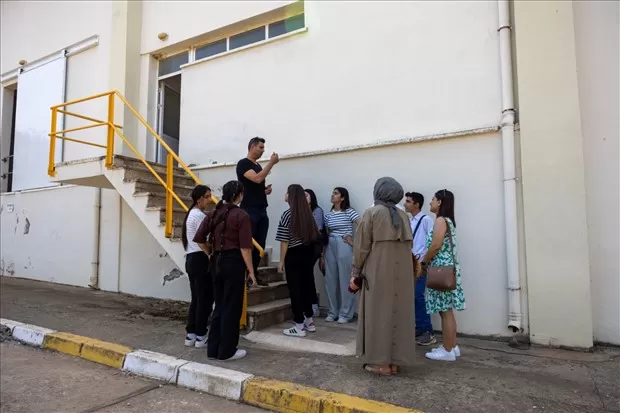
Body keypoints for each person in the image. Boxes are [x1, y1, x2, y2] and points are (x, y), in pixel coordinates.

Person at [350, 177, 415, 376]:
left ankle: (380, 363)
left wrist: (355, 273)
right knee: (399, 313)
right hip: (402, 274)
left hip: (377, 272)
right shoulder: (404, 216)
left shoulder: (371, 213)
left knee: (377, 314)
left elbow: (361, 248)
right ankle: (394, 361)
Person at [193, 180, 257, 361]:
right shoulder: (241, 215)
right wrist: (251, 271)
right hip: (233, 262)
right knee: (232, 306)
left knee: (219, 305)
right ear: (239, 195)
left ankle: (213, 349)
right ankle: (227, 350)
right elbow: (245, 247)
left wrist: (210, 252)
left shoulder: (213, 214)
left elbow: (199, 238)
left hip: (216, 262)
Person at [420, 189, 466, 362]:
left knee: (445, 311)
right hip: (447, 269)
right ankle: (452, 346)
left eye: (433, 199)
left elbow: (436, 245)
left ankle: (447, 350)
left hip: (440, 270)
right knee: (446, 310)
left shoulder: (440, 220)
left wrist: (424, 262)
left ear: (439, 202)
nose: (430, 202)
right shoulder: (448, 221)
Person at [276, 184, 319, 337]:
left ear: (291, 196)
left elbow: (284, 241)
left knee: (295, 290)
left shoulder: (288, 214)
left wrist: (281, 261)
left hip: (294, 255)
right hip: (307, 254)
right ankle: (309, 320)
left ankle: (299, 325)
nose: (285, 194)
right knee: (306, 287)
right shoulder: (308, 213)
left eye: (287, 192)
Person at [236, 137, 280, 286]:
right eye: (261, 147)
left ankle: (253, 274)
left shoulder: (259, 166)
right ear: (252, 147)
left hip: (261, 209)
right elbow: (256, 179)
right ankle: (245, 275)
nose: (263, 150)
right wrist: (271, 163)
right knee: (248, 243)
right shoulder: (243, 164)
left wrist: (265, 190)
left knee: (259, 244)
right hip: (249, 209)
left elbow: (258, 183)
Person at [182, 184, 215, 348]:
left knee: (196, 298)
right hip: (200, 259)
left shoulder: (191, 215)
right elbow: (204, 239)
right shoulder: (199, 216)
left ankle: (191, 334)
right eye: (208, 197)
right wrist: (209, 253)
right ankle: (201, 335)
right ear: (199, 198)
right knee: (205, 299)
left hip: (191, 259)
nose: (210, 200)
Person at [404, 191, 436, 346]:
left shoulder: (426, 220)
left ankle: (427, 331)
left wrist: (424, 263)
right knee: (412, 297)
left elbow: (431, 242)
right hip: (410, 264)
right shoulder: (409, 221)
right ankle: (419, 327)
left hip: (420, 265)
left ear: (416, 204)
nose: (405, 204)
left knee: (418, 296)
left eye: (409, 201)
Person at [323, 187, 360, 323]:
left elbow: (362, 225)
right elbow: (325, 233)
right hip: (330, 244)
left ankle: (345, 313)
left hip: (344, 243)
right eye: (332, 192)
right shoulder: (328, 215)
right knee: (331, 280)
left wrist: (354, 241)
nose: (333, 195)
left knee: (345, 278)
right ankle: (333, 311)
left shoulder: (349, 212)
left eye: (336, 193)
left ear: (343, 197)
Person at [305, 188, 324, 317]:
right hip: (303, 246)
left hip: (314, 246)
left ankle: (313, 304)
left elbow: (318, 230)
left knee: (307, 273)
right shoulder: (300, 211)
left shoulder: (317, 211)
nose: (304, 198)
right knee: (306, 274)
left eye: (306, 196)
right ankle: (310, 303)